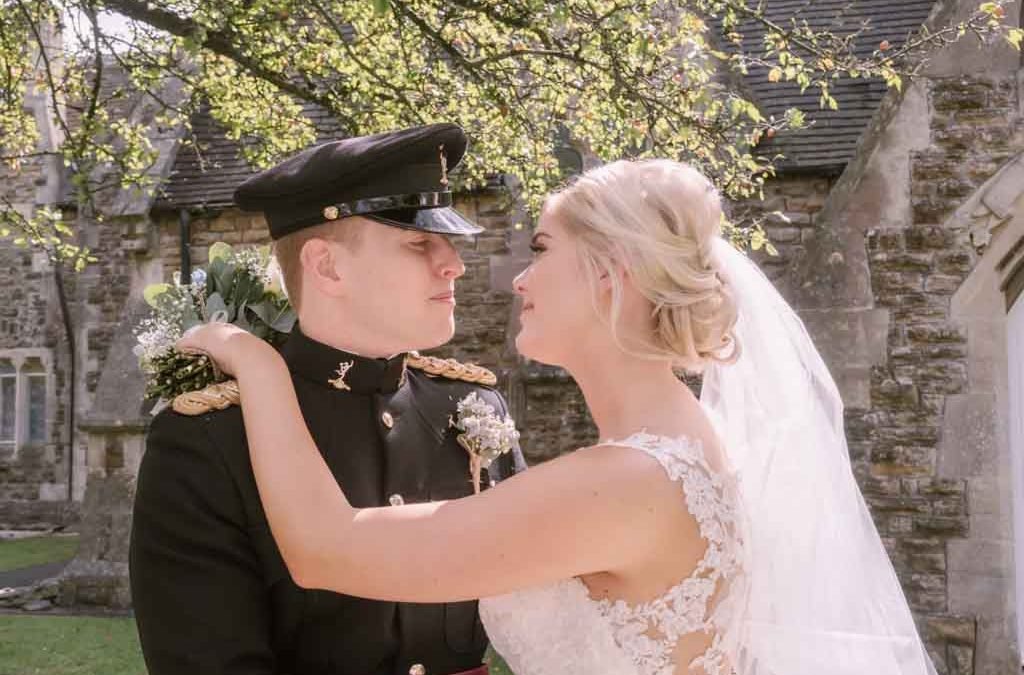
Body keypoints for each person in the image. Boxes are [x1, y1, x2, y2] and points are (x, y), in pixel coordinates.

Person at [179, 158, 939, 675]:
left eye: (542, 250)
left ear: (610, 276)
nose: (515, 277)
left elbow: (327, 549)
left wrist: (259, 364)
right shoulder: (682, 448)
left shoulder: (625, 481)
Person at [130, 122, 526, 675]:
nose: (453, 263)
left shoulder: (473, 408)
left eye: (448, 242)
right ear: (327, 266)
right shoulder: (207, 438)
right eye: (419, 242)